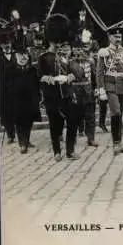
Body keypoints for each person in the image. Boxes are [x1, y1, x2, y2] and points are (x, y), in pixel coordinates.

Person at [37, 14, 85, 161]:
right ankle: (57, 151)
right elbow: (40, 76)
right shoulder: (43, 57)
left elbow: (75, 71)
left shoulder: (65, 56)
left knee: (73, 120)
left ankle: (70, 151)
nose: (58, 45)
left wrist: (71, 76)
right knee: (54, 124)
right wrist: (49, 79)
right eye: (55, 43)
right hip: (51, 95)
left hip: (66, 94)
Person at [96, 28, 123, 155]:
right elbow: (100, 72)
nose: (118, 39)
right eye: (115, 37)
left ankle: (119, 142)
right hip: (110, 84)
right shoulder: (104, 52)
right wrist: (101, 89)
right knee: (116, 112)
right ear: (109, 37)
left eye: (119, 36)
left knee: (120, 113)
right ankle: (116, 143)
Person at [10, 48, 41, 154]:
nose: (23, 58)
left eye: (25, 55)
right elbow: (6, 85)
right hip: (17, 100)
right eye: (20, 55)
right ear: (16, 56)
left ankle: (26, 141)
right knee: (19, 121)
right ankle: (22, 143)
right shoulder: (11, 69)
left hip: (30, 100)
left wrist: (38, 97)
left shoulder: (32, 70)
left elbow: (37, 85)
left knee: (29, 121)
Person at [71, 43, 98, 147]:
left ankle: (91, 138)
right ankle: (72, 138)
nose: (80, 52)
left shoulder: (91, 62)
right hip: (75, 92)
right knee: (74, 117)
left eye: (82, 49)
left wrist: (96, 89)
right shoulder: (70, 63)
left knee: (90, 116)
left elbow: (94, 77)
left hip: (88, 92)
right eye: (77, 50)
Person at [0, 26, 17, 144]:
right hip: (3, 88)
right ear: (1, 46)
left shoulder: (16, 56)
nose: (7, 45)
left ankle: (22, 135)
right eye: (4, 44)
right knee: (5, 112)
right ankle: (10, 133)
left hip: (16, 87)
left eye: (8, 43)